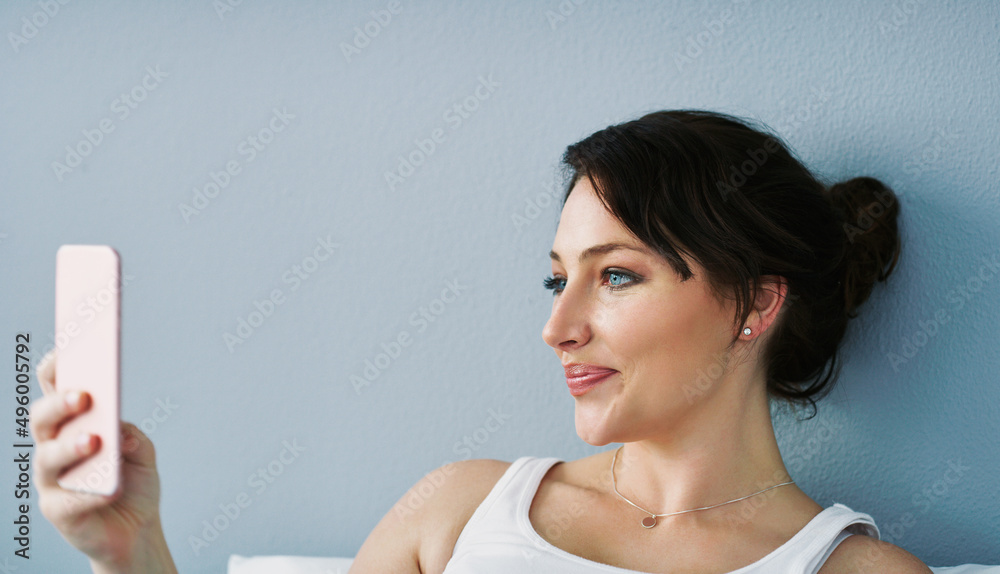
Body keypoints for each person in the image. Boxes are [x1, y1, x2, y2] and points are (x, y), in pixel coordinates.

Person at [32, 109, 932, 573]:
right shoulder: (457, 512)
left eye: (616, 275)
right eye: (557, 277)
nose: (557, 327)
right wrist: (134, 550)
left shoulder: (861, 572)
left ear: (755, 304)